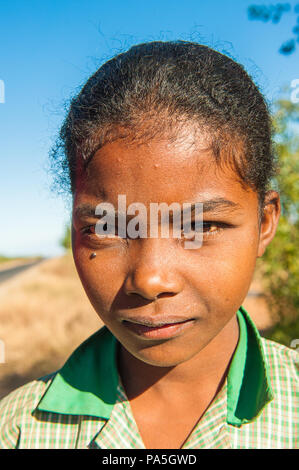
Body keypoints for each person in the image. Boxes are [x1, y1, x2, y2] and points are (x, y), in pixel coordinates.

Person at [0, 41, 297, 449]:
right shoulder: (19, 431)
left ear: (264, 223)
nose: (150, 278)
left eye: (202, 225)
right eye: (107, 226)